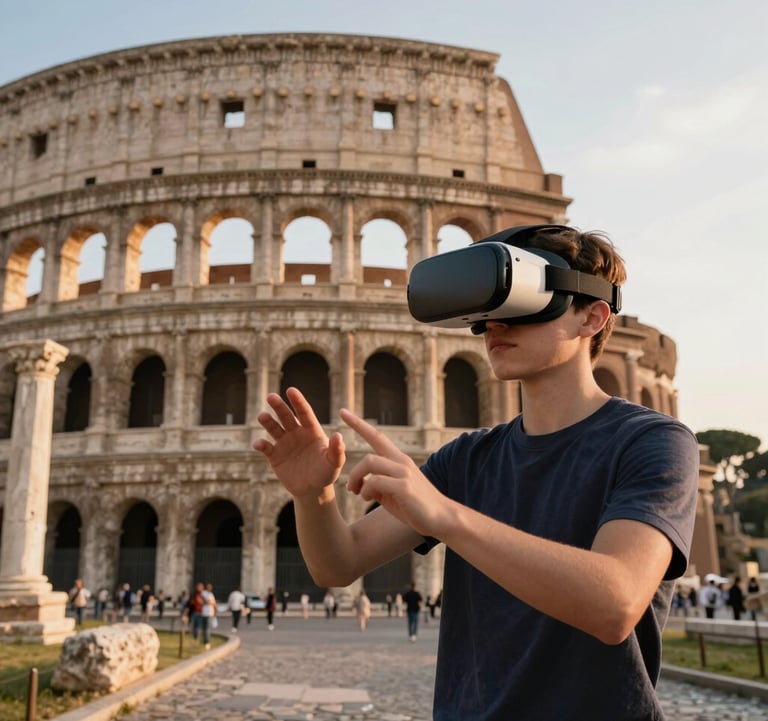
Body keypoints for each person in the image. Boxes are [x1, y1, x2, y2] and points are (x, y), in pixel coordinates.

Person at [253, 224, 700, 720]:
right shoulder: (466, 459)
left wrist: (445, 516)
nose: (494, 325)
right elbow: (338, 564)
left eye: (521, 304)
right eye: (487, 310)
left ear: (591, 318)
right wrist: (314, 495)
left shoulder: (652, 442)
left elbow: (615, 604)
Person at [200, 582, 217, 649]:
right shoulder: (203, 593)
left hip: (210, 614)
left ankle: (207, 642)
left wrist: (215, 612)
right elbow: (205, 601)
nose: (210, 588)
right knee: (204, 628)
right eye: (208, 587)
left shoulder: (211, 594)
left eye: (210, 587)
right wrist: (210, 602)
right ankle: (205, 641)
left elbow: (214, 604)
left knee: (207, 628)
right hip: (204, 613)